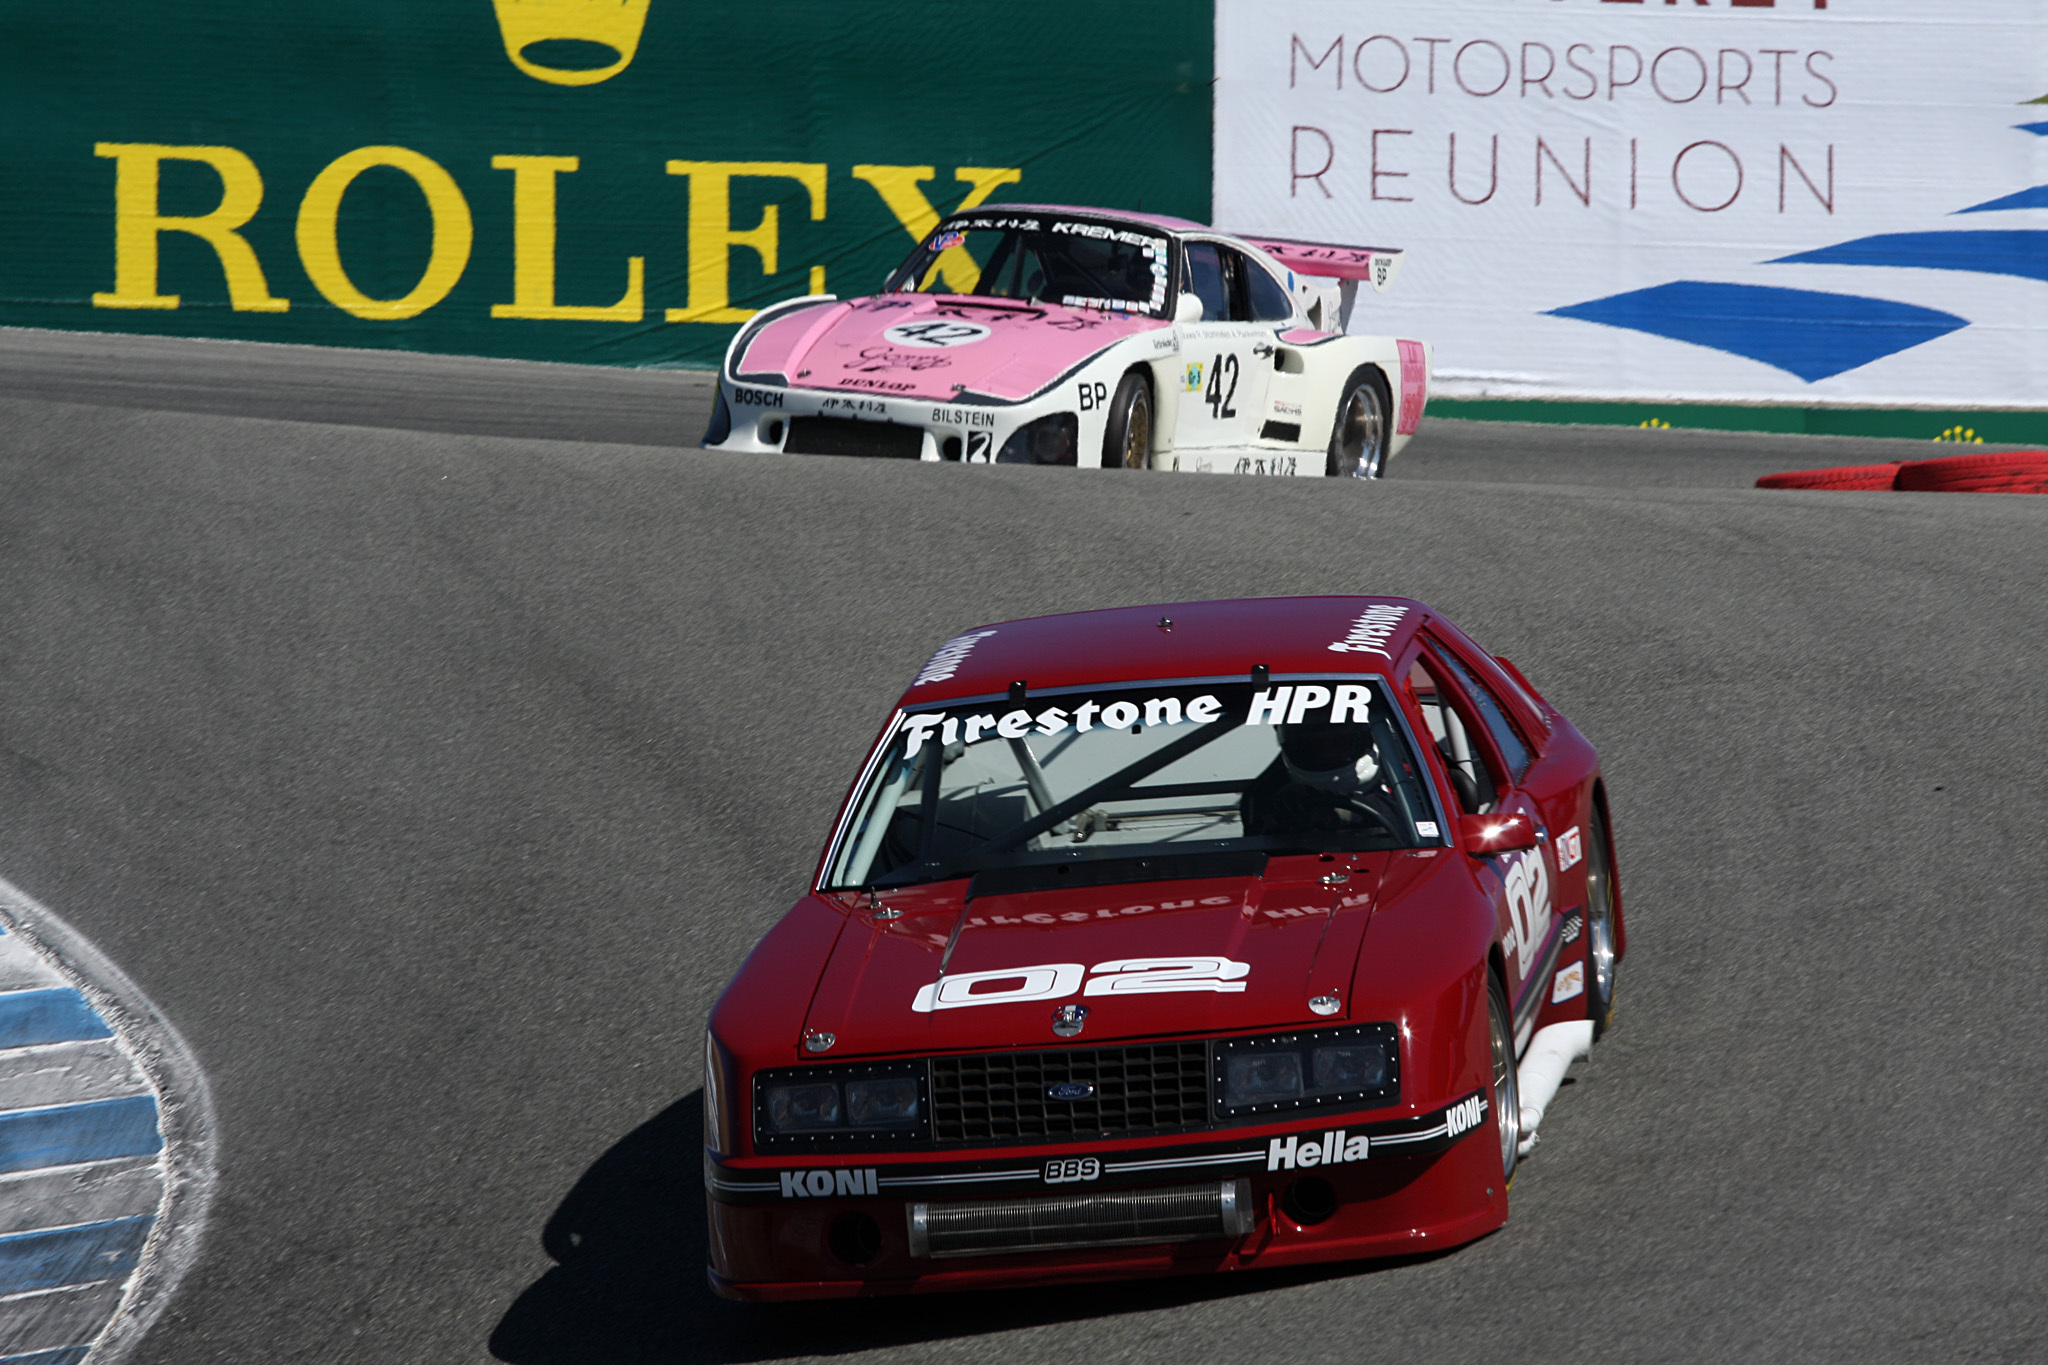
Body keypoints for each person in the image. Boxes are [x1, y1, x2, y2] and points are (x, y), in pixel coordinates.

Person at [1241, 719, 1399, 840]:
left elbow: (1417, 818)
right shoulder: (1265, 792)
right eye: (1312, 746)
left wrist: (1344, 813)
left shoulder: (1402, 769)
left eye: (1339, 743)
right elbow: (1257, 852)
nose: (1327, 755)